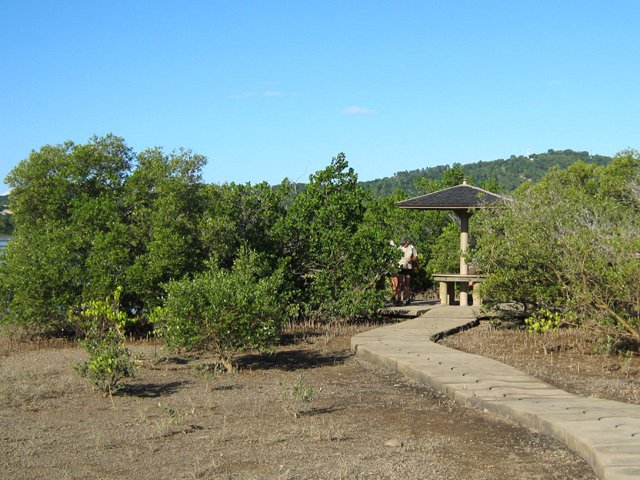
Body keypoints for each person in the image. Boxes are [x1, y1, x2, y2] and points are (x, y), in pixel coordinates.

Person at [390, 237, 418, 305]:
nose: (403, 245)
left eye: (404, 243)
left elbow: (416, 257)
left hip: (408, 267)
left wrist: (411, 260)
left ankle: (407, 299)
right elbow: (396, 256)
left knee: (407, 284)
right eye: (402, 243)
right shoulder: (400, 248)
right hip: (400, 267)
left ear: (407, 242)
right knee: (399, 283)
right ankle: (398, 299)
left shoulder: (411, 247)